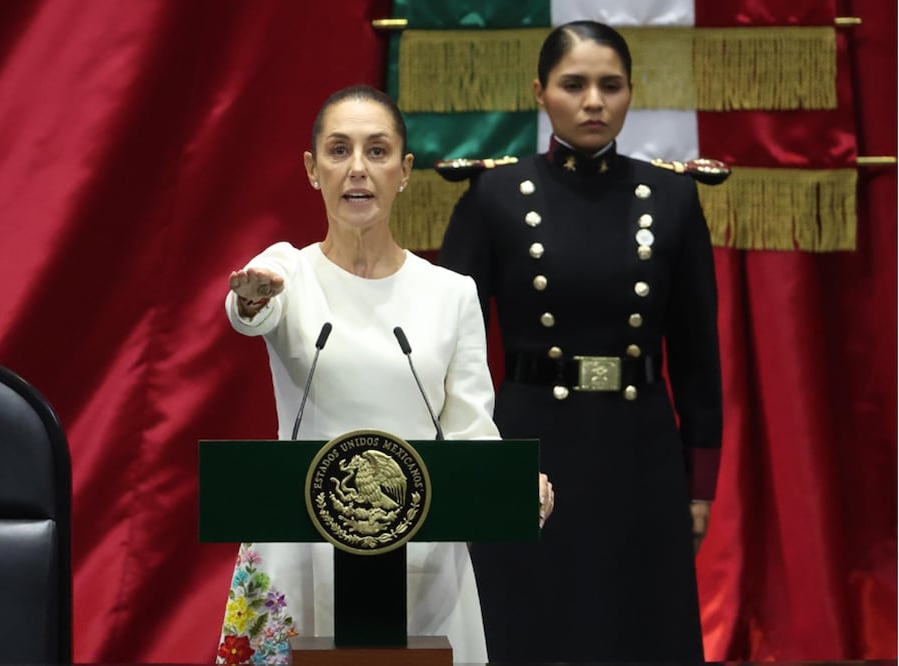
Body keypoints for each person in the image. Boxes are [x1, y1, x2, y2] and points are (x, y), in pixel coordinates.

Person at [218, 84, 554, 665]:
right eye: (338, 150)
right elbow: (251, 308)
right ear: (312, 169)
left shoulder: (450, 294)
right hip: (299, 549)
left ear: (404, 171)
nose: (357, 168)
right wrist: (250, 299)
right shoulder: (287, 271)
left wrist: (511, 483)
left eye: (376, 151)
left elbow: (471, 431)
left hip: (421, 559)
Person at [438, 20, 723, 663]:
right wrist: (466, 469)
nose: (593, 101)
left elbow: (698, 358)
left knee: (641, 631)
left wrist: (699, 485)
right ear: (539, 92)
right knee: (530, 628)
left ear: (631, 92)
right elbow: (450, 351)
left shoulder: (672, 197)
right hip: (529, 448)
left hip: (640, 447)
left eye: (610, 85)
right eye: (574, 84)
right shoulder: (494, 196)